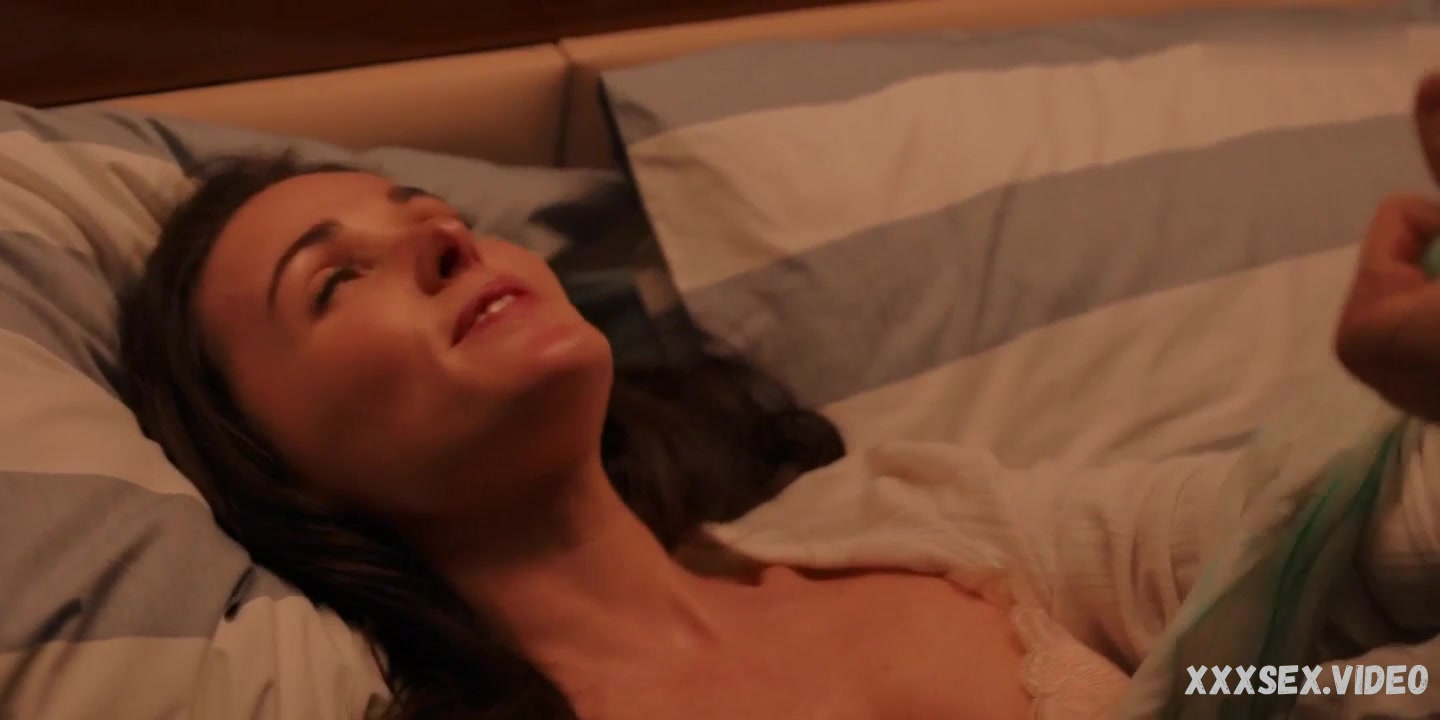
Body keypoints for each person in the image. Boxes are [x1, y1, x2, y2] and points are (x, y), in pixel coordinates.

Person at [117, 74, 1440, 720]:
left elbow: (1302, 580)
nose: (445, 240)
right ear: (275, 468)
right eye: (334, 282)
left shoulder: (923, 521)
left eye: (430, 210)